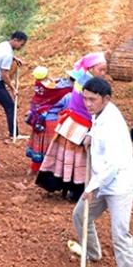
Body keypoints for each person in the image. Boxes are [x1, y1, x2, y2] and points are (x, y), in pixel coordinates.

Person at [69, 77, 133, 267]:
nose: (88, 104)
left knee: (120, 233)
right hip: (101, 179)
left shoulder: (113, 124)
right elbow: (95, 124)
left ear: (106, 99)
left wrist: (91, 187)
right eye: (85, 99)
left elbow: (114, 164)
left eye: (93, 100)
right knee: (80, 215)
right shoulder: (99, 114)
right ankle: (92, 252)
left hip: (119, 183)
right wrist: (90, 134)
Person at [36, 52, 107, 202]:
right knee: (80, 161)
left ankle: (64, 187)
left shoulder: (82, 78)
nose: (103, 74)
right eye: (101, 70)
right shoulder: (91, 85)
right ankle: (77, 192)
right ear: (91, 68)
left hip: (71, 124)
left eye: (105, 70)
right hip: (81, 128)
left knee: (66, 158)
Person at [25, 66, 73, 175]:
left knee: (39, 144)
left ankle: (33, 169)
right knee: (50, 147)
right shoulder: (66, 93)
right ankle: (47, 172)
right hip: (51, 122)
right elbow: (66, 109)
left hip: (38, 120)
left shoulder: (40, 88)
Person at [0, 31, 28, 139]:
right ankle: (14, 134)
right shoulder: (7, 55)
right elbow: (4, 75)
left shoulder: (4, 45)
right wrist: (13, 88)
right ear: (15, 40)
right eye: (21, 44)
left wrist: (15, 58)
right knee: (10, 107)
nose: (21, 47)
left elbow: (5, 55)